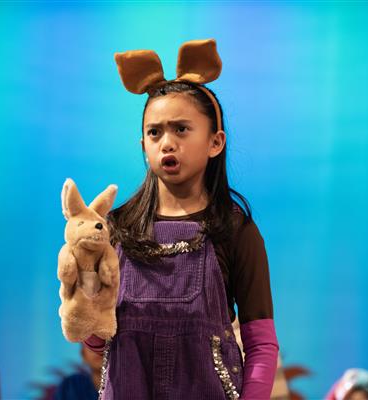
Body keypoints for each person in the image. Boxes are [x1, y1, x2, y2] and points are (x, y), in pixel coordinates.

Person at [81, 39, 279, 399]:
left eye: (181, 129)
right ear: (143, 146)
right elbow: (95, 341)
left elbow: (261, 344)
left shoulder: (236, 229)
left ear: (215, 142)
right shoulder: (115, 228)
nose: (167, 143)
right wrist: (84, 291)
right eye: (155, 132)